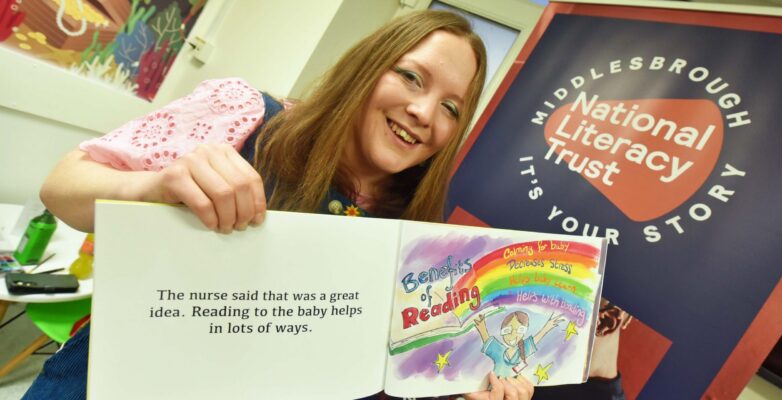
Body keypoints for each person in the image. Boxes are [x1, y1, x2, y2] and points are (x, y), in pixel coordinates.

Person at [26, 10, 535, 400]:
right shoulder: (247, 115)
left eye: (451, 108)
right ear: (366, 68)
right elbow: (61, 186)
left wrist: (466, 385)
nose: (424, 112)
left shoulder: (422, 232)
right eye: (411, 77)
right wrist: (151, 190)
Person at [474, 311, 565, 379]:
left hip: (515, 388)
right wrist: (481, 326)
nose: (513, 335)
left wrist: (547, 327)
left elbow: (536, 339)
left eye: (520, 330)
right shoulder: (498, 350)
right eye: (507, 330)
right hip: (496, 387)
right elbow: (485, 336)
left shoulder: (522, 350)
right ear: (502, 331)